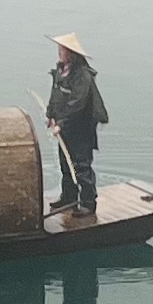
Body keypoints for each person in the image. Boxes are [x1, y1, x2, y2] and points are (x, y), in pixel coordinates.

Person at [45, 34, 108, 218]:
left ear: (71, 54)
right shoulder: (61, 71)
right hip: (64, 129)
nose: (59, 53)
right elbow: (56, 96)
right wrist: (51, 115)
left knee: (81, 166)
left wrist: (61, 124)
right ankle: (69, 198)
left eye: (63, 50)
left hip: (81, 129)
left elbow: (77, 104)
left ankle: (88, 204)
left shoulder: (83, 76)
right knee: (65, 164)